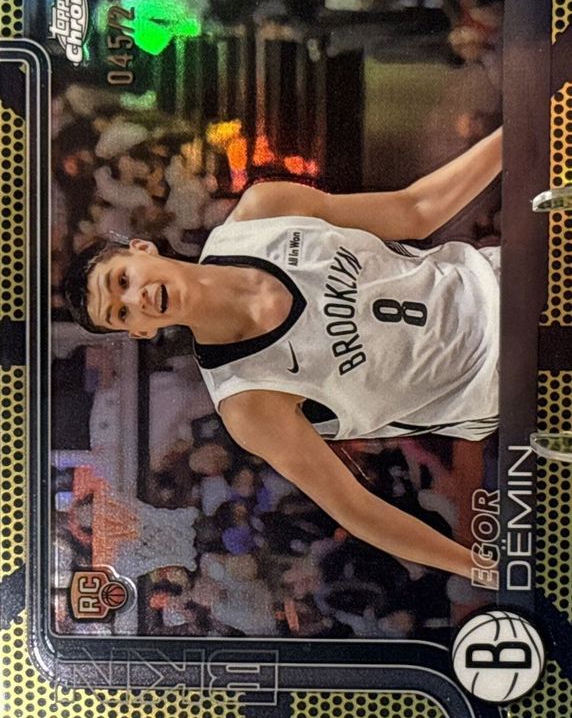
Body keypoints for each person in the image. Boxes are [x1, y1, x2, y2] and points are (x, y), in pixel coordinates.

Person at [64, 127, 502, 584]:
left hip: (500, 278)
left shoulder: (262, 212)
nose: (136, 298)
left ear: (141, 249)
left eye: (122, 280)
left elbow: (415, 210)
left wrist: (519, 134)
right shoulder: (246, 401)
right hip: (500, 385)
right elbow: (355, 508)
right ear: (139, 330)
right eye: (121, 313)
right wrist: (482, 569)